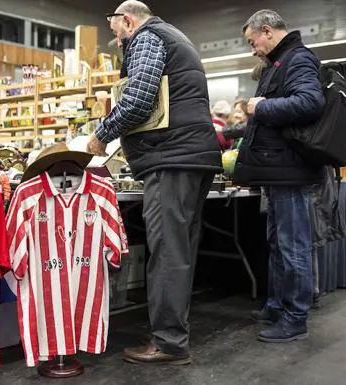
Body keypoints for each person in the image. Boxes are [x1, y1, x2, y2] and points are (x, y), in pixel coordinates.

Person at [86, 0, 222, 365]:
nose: (119, 45)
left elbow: (139, 98)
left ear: (127, 22)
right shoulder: (174, 37)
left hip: (172, 159)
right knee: (179, 250)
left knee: (167, 252)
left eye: (117, 36)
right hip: (190, 156)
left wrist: (102, 134)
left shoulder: (147, 37)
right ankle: (170, 331)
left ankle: (170, 343)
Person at [233, 10, 325, 342]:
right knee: (278, 243)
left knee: (292, 245)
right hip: (279, 169)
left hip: (290, 170)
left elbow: (310, 103)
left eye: (252, 40)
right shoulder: (279, 62)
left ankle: (295, 317)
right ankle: (276, 305)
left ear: (267, 31)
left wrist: (261, 107)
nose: (252, 47)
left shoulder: (297, 59)